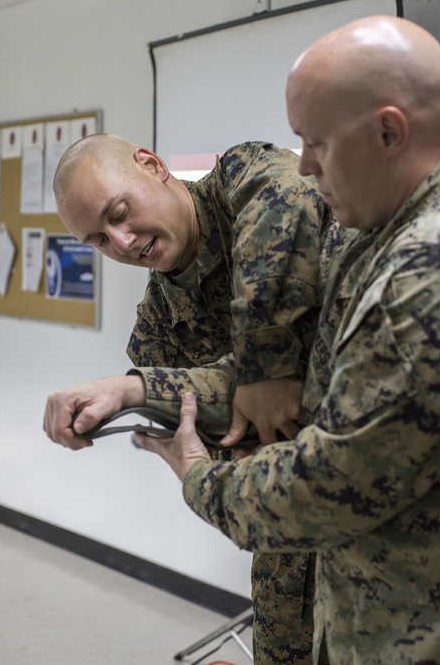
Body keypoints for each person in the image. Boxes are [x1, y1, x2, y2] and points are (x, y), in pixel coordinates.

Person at [137, 15, 440, 664]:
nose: (306, 167)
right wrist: (138, 386)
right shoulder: (379, 234)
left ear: (388, 131)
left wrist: (199, 476)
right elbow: (313, 387)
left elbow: (332, 484)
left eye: (316, 143)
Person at [47, 134, 330, 663]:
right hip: (289, 537)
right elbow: (230, 453)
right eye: (100, 240)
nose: (123, 242)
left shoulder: (242, 183)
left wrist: (264, 369)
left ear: (152, 166)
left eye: (121, 213)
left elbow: (290, 201)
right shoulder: (155, 335)